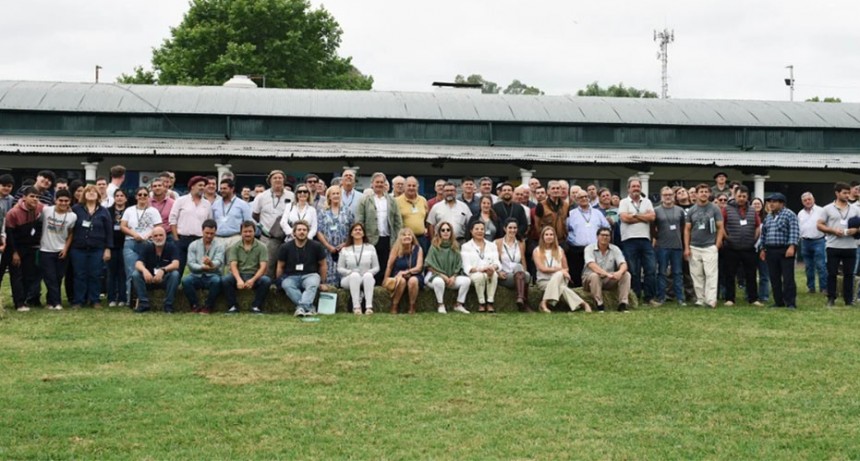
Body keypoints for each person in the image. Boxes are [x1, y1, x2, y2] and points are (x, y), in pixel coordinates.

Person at [70, 185, 113, 308]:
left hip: (97, 248)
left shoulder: (104, 211)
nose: (91, 193)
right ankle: (79, 300)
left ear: (98, 195)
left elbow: (109, 231)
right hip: (78, 248)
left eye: (94, 191)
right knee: (79, 274)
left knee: (95, 274)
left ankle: (94, 299)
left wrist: (108, 248)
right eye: (88, 191)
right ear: (84, 194)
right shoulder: (76, 209)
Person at [355, 172, 403, 285]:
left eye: (382, 182)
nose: (379, 184)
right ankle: (370, 286)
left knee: (385, 263)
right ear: (372, 184)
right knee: (370, 264)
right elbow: (359, 220)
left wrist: (397, 238)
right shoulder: (365, 200)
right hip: (371, 238)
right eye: (377, 182)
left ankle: (383, 286)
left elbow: (398, 221)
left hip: (387, 238)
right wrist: (361, 238)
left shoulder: (392, 201)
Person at [818, 183, 860, 307]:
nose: (847, 195)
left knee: (849, 274)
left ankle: (848, 299)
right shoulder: (827, 208)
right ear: (837, 193)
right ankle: (831, 298)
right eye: (844, 193)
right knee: (832, 273)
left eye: (848, 193)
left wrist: (856, 230)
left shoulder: (855, 209)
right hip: (833, 245)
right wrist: (833, 231)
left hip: (850, 246)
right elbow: (819, 225)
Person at [533, 226, 591, 313]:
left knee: (559, 275)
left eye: (551, 235)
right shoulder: (537, 251)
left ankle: (544, 303)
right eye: (547, 235)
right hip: (544, 281)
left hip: (560, 280)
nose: (549, 237)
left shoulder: (560, 250)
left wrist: (562, 271)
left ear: (554, 237)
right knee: (562, 288)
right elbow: (542, 269)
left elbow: (566, 268)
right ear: (542, 237)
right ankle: (584, 304)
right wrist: (559, 269)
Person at [684, 183, 724, 308]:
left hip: (709, 247)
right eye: (701, 191)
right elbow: (687, 230)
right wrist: (686, 247)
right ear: (696, 194)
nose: (704, 194)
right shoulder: (692, 210)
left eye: (706, 191)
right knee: (697, 275)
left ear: (709, 194)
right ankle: (700, 299)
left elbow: (720, 227)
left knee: (711, 274)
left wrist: (716, 245)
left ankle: (711, 300)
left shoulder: (715, 209)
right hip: (694, 247)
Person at [618, 176, 657, 305]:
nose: (636, 188)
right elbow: (625, 219)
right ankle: (635, 297)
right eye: (633, 186)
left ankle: (649, 298)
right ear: (628, 188)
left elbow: (652, 217)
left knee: (650, 269)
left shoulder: (647, 201)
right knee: (633, 270)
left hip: (645, 240)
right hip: (629, 240)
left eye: (638, 186)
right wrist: (643, 217)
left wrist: (634, 215)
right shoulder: (624, 202)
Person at [721, 185, 762, 307]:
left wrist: (753, 239)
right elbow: (721, 226)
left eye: (744, 196)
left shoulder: (752, 210)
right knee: (730, 274)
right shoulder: (727, 209)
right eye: (739, 196)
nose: (742, 198)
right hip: (731, 248)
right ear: (735, 196)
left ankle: (753, 299)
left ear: (747, 197)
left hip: (748, 248)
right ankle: (730, 299)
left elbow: (757, 226)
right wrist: (727, 238)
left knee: (751, 274)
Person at [121, 187, 163, 305]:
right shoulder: (129, 210)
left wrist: (148, 235)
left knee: (149, 271)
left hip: (148, 243)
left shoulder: (153, 211)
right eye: (140, 194)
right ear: (136, 197)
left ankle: (146, 298)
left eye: (145, 195)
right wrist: (134, 234)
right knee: (131, 272)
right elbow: (123, 226)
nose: (142, 197)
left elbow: (159, 226)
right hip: (131, 243)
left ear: (148, 197)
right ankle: (131, 301)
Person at [277, 220, 328, 317]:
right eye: (299, 230)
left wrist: (323, 282)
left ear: (308, 232)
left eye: (304, 230)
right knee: (286, 285)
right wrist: (279, 282)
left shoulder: (316, 246)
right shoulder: (285, 247)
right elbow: (280, 266)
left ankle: (301, 308)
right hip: (291, 276)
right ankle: (309, 308)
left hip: (310, 275)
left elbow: (323, 265)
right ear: (294, 232)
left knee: (313, 284)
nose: (302, 232)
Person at [6, 186, 44, 311]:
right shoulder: (13, 212)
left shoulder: (40, 208)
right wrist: (15, 253)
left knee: (29, 275)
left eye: (37, 197)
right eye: (32, 196)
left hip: (31, 247)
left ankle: (25, 299)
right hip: (15, 247)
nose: (35, 199)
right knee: (17, 275)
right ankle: (19, 303)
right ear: (24, 197)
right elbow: (10, 235)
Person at [758, 192, 800, 308]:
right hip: (771, 250)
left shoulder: (789, 214)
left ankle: (790, 302)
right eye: (770, 202)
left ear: (782, 203)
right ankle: (778, 302)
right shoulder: (768, 216)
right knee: (774, 277)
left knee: (788, 278)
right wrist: (762, 249)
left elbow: (794, 231)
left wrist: (792, 246)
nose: (771, 204)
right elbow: (763, 234)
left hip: (785, 249)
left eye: (774, 202)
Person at [251, 169, 295, 278]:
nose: (278, 180)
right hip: (267, 237)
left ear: (284, 180)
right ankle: (268, 287)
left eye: (280, 178)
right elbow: (255, 215)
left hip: (286, 237)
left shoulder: (292, 196)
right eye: (275, 178)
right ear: (269, 181)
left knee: (286, 264)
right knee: (267, 264)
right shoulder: (261, 196)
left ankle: (280, 288)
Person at [223, 220, 272, 314]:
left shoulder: (262, 246)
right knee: (225, 280)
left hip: (255, 275)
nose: (248, 234)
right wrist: (238, 280)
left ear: (254, 232)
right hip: (239, 274)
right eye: (245, 231)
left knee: (266, 280)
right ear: (241, 233)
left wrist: (253, 280)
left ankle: (256, 306)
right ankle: (232, 306)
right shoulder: (235, 246)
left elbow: (263, 267)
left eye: (250, 231)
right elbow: (233, 265)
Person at [39, 190, 76, 310]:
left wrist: (65, 249)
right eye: (60, 200)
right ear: (55, 200)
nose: (63, 203)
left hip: (61, 250)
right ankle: (57, 302)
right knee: (50, 277)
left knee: (58, 277)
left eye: (66, 201)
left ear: (69, 201)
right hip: (46, 250)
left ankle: (50, 302)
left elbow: (71, 234)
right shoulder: (46, 210)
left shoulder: (72, 216)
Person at [425, 221, 472, 314]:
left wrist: (454, 276)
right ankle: (440, 304)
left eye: (448, 230)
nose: (446, 232)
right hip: (436, 276)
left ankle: (458, 305)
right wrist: (442, 275)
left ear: (451, 232)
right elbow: (429, 265)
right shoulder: (434, 246)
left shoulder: (455, 246)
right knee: (438, 282)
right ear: (439, 233)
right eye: (443, 230)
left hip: (451, 277)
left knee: (467, 281)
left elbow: (459, 265)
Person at [566, 189, 610, 288]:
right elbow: (566, 230)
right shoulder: (571, 214)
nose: (584, 199)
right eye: (581, 197)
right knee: (576, 275)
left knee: (594, 273)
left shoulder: (598, 213)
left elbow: (606, 227)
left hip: (594, 249)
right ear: (576, 200)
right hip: (576, 250)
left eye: (586, 196)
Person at [169, 176, 212, 276]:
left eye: (204, 186)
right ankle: (175, 289)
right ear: (192, 186)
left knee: (200, 269)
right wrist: (176, 239)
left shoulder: (207, 204)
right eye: (200, 185)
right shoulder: (181, 201)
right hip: (182, 239)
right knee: (178, 269)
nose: (202, 187)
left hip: (200, 240)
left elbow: (209, 222)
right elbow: (172, 220)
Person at [131, 226, 180, 313]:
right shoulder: (147, 247)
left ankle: (168, 305)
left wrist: (163, 270)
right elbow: (138, 263)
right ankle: (144, 304)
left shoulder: (171, 247)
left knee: (175, 274)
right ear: (152, 237)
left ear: (165, 236)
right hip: (149, 280)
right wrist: (144, 270)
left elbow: (176, 264)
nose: (158, 238)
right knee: (136, 274)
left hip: (164, 280)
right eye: (156, 236)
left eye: (161, 235)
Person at [583, 226, 632, 312]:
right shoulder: (589, 248)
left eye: (607, 235)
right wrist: (606, 274)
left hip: (608, 279)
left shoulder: (615, 249)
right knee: (595, 275)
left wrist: (620, 272)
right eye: (602, 235)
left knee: (626, 274)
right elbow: (591, 265)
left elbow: (623, 263)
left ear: (610, 237)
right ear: (597, 237)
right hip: (590, 279)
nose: (605, 237)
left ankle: (623, 304)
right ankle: (599, 304)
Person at [337, 223, 380, 315]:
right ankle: (356, 307)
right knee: (355, 275)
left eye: (360, 230)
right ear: (351, 233)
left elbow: (376, 267)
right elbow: (340, 268)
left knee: (368, 276)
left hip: (365, 277)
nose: (358, 231)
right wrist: (349, 272)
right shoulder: (345, 249)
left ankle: (369, 307)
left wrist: (369, 272)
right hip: (349, 279)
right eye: (355, 230)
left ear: (363, 233)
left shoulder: (370, 248)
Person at [653, 186, 685, 306]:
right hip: (662, 246)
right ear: (661, 197)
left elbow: (682, 227)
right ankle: (661, 297)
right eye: (665, 195)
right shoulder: (656, 210)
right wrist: (657, 237)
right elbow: (652, 227)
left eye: (670, 194)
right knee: (661, 272)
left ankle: (680, 298)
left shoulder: (680, 210)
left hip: (677, 245)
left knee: (677, 272)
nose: (668, 197)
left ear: (674, 196)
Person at [317, 185, 354, 287]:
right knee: (329, 276)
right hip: (328, 250)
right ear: (329, 196)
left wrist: (346, 244)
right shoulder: (322, 212)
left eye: (338, 193)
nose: (336, 195)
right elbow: (318, 231)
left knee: (344, 274)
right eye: (333, 194)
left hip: (345, 249)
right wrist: (328, 246)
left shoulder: (347, 211)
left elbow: (353, 230)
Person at [462, 221, 500, 313]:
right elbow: (466, 266)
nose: (480, 231)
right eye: (477, 229)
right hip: (474, 272)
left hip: (489, 271)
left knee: (493, 275)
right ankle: (481, 303)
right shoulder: (466, 246)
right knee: (480, 276)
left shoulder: (492, 245)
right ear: (471, 231)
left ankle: (490, 302)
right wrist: (480, 269)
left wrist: (493, 268)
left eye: (482, 229)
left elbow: (497, 262)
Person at [496, 218, 533, 312]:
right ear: (505, 229)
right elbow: (494, 260)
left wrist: (524, 270)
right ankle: (524, 302)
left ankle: (520, 298)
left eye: (515, 228)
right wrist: (498, 272)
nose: (513, 230)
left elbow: (523, 259)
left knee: (524, 272)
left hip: (518, 273)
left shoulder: (521, 242)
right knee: (523, 274)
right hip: (504, 275)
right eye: (510, 228)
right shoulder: (497, 242)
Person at [384, 228, 424, 314]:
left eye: (409, 235)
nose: (407, 237)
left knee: (412, 281)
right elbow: (389, 266)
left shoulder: (418, 249)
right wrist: (385, 280)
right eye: (404, 235)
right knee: (401, 281)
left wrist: (406, 272)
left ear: (412, 237)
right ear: (400, 238)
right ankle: (394, 305)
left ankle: (412, 305)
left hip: (415, 275)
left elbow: (419, 267)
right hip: (398, 275)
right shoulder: (396, 249)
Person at [797, 191, 827, 295]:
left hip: (819, 241)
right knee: (808, 267)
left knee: (821, 265)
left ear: (813, 200)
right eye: (805, 200)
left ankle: (824, 288)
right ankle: (811, 288)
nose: (807, 202)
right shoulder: (800, 213)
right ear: (802, 202)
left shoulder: (821, 211)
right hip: (805, 242)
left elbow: (827, 224)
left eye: (809, 199)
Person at [212, 178, 252, 248]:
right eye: (221, 189)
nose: (222, 191)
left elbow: (248, 223)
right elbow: (212, 221)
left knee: (233, 259)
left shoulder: (242, 204)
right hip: (217, 238)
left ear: (232, 189)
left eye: (225, 188)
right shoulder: (215, 204)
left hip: (235, 238)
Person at [395, 176, 430, 255]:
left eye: (414, 186)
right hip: (405, 239)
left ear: (417, 187)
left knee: (421, 263)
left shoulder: (423, 200)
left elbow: (426, 217)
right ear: (404, 187)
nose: (411, 188)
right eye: (409, 185)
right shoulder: (396, 201)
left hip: (421, 239)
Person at [107, 189, 129, 307]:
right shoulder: (108, 211)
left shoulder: (130, 210)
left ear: (126, 198)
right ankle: (111, 298)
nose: (119, 198)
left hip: (125, 245)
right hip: (111, 245)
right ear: (114, 198)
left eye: (122, 195)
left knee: (123, 272)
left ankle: (122, 298)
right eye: (117, 196)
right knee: (111, 272)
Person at [752, 197, 771, 303]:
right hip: (750, 248)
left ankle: (764, 295)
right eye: (754, 204)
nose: (756, 205)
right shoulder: (748, 217)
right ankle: (750, 295)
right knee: (750, 274)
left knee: (764, 274)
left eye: (758, 204)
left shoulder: (767, 218)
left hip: (763, 248)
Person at [0, 174, 15, 288]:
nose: (6, 188)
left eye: (9, 186)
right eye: (4, 185)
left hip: (8, 234)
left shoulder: (11, 199)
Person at [149, 178, 174, 242]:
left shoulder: (172, 203)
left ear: (164, 188)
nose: (157, 188)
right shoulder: (147, 202)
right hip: (149, 235)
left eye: (159, 186)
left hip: (168, 234)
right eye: (154, 186)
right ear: (151, 189)